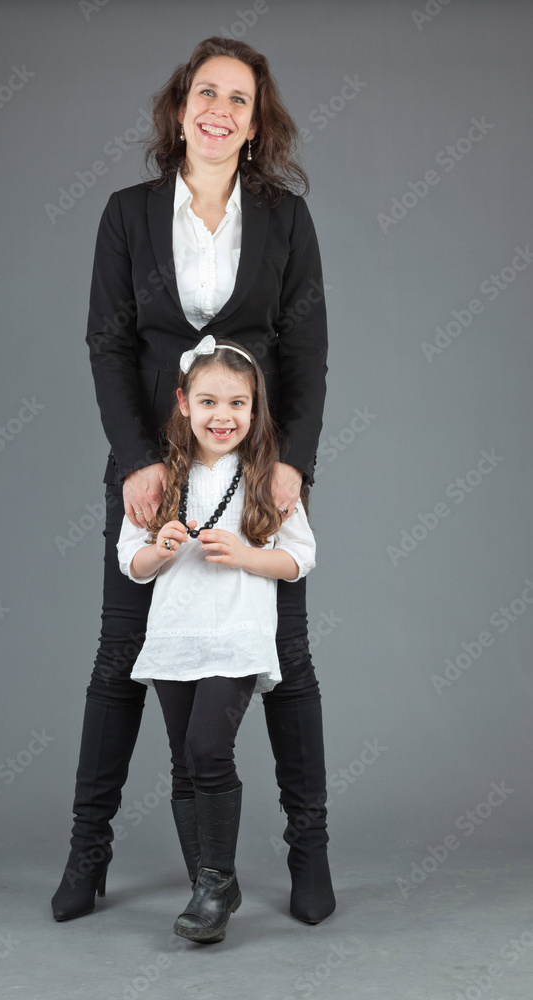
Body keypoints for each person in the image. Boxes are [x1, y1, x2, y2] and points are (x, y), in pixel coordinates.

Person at [51, 36, 335, 927]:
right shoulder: (127, 214)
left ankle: (309, 852)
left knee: (284, 665)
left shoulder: (284, 219)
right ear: (180, 110)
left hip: (256, 466)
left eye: (238, 101)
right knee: (116, 664)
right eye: (204, 93)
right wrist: (137, 460)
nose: (218, 110)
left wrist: (293, 465)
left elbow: (309, 352)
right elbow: (106, 344)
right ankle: (86, 852)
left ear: (255, 126)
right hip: (151, 464)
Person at [116, 335, 317, 943]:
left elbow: (300, 559)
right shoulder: (161, 481)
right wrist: (158, 550)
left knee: (208, 748)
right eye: (208, 401)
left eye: (237, 403)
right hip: (175, 635)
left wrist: (248, 556)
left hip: (237, 634)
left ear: (254, 411)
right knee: (183, 764)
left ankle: (213, 883)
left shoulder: (268, 481)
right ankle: (212, 886)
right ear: (182, 402)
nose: (222, 416)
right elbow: (130, 561)